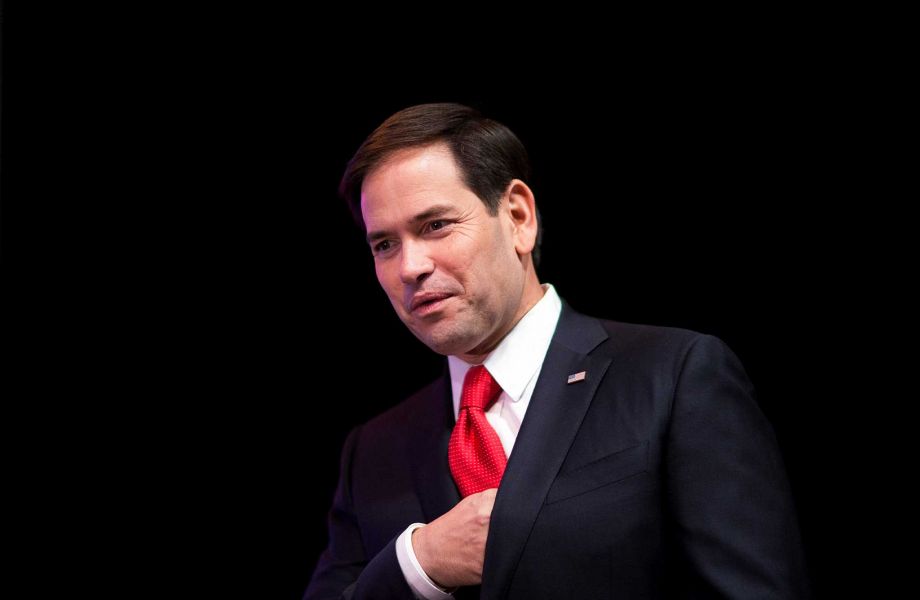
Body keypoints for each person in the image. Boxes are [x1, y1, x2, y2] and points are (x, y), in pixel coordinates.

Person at [304, 103, 810, 599]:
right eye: (384, 245)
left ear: (519, 217)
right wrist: (419, 563)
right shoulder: (372, 451)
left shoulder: (673, 376)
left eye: (435, 225)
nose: (409, 266)